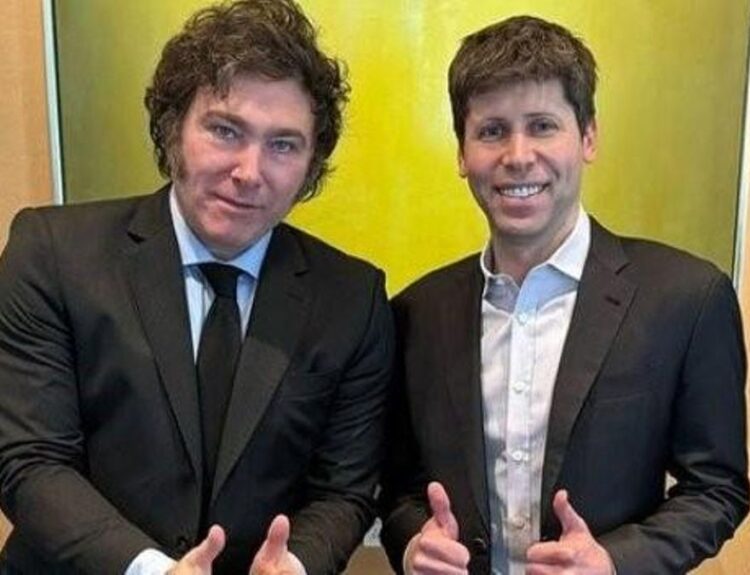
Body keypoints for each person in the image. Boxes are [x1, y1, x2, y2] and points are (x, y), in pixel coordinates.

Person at [0, 1, 393, 573]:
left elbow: (344, 490)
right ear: (173, 129)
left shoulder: (353, 299)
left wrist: (299, 564)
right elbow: (30, 460)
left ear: (311, 165)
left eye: (283, 144)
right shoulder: (53, 253)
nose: (249, 171)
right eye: (225, 130)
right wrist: (153, 570)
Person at [378, 14, 748, 575]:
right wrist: (411, 544)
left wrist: (616, 562)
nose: (518, 155)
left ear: (588, 136)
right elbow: (397, 487)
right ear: (461, 152)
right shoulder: (415, 313)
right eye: (492, 131)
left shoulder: (687, 299)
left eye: (543, 126)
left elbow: (717, 488)